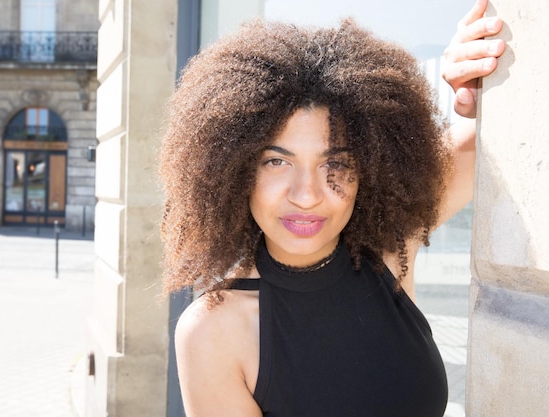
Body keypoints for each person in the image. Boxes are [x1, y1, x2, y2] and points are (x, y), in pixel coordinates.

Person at [158, 0, 504, 416]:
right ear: (233, 171)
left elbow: (495, 129)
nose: (307, 195)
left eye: (335, 163)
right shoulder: (212, 332)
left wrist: (478, 89)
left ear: (370, 171)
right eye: (277, 161)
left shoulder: (391, 249)